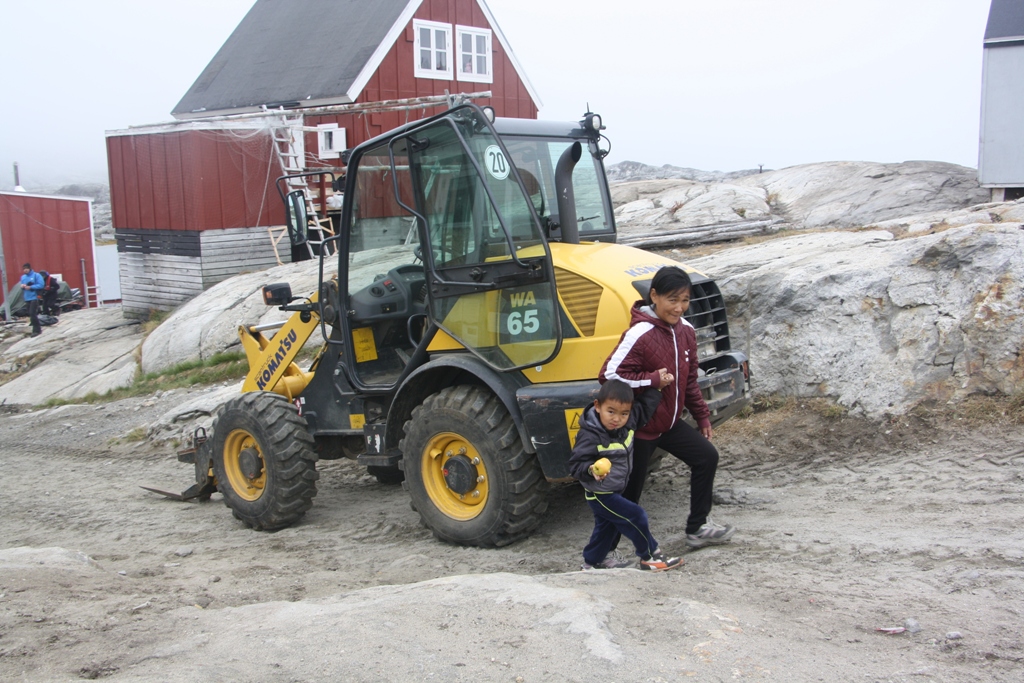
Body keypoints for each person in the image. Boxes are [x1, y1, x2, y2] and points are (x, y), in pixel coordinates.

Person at [600, 265, 735, 548]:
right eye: (672, 300)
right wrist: (651, 380)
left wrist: (702, 417)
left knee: (706, 457)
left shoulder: (686, 331)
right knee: (629, 495)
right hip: (640, 428)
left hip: (669, 424)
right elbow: (609, 374)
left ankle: (697, 528)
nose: (679, 308)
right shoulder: (640, 332)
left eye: (684, 300)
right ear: (654, 297)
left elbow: (689, 381)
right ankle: (603, 555)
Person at [568, 379, 684, 572]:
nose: (617, 419)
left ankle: (592, 562)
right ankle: (650, 555)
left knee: (607, 527)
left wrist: (657, 388)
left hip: (614, 489)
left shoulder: (626, 424)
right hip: (600, 493)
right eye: (611, 411)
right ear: (597, 406)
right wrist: (591, 470)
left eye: (623, 413)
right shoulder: (590, 435)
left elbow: (644, 408)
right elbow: (575, 464)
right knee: (635, 515)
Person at [19, 263, 44, 337]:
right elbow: (22, 286)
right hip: (27, 298)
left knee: (33, 313)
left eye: (26, 268)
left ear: (30, 268)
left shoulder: (36, 275)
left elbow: (41, 285)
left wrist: (31, 287)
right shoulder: (23, 277)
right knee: (30, 314)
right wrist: (22, 286)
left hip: (34, 297)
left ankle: (37, 330)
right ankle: (35, 327)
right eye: (24, 269)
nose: (25, 270)